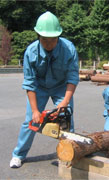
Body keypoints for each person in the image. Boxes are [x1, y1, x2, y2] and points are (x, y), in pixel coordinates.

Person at [11, 11, 79, 168]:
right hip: (39, 88)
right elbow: (29, 83)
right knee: (31, 121)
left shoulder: (68, 49)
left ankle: (71, 153)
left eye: (52, 40)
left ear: (58, 36)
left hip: (61, 87)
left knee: (66, 119)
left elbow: (73, 77)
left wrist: (65, 101)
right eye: (44, 40)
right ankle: (18, 155)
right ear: (38, 36)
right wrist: (35, 110)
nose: (48, 43)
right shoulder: (30, 52)